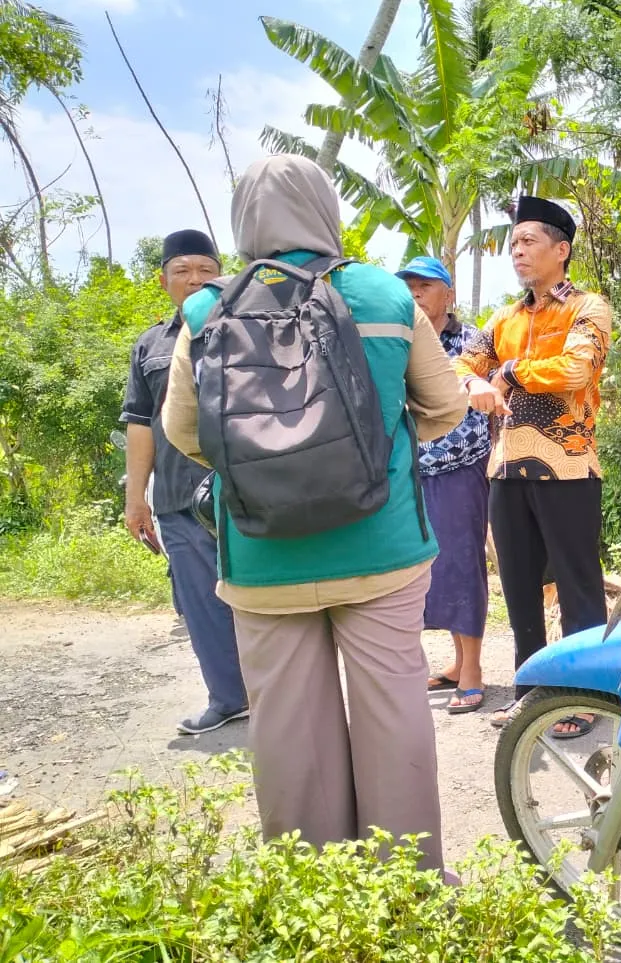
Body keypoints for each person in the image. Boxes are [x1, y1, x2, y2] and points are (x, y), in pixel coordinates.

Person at [161, 155, 468, 869]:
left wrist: (268, 472)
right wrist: (374, 450)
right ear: (325, 208)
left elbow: (182, 429)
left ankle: (313, 889)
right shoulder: (384, 295)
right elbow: (447, 405)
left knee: (288, 729)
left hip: (265, 560)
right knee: (393, 714)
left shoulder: (206, 309)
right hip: (381, 550)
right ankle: (406, 885)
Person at [454, 196, 611, 735]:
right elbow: (463, 363)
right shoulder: (504, 316)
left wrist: (508, 373)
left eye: (529, 242)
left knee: (577, 585)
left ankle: (587, 693)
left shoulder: (588, 307)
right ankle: (531, 691)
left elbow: (575, 369)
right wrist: (475, 381)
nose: (517, 251)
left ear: (561, 250)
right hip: (506, 470)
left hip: (568, 468)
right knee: (519, 587)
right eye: (513, 243)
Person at [121, 229, 248, 735]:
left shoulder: (244, 328)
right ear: (163, 280)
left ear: (224, 276)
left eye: (206, 269)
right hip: (176, 496)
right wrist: (137, 500)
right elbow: (138, 423)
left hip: (244, 489)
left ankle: (283, 696)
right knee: (199, 603)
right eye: (182, 270)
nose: (195, 279)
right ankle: (229, 697)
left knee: (260, 595)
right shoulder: (150, 344)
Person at [395, 255, 491, 713]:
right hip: (410, 473)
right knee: (423, 572)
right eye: (409, 285)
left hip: (461, 466)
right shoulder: (400, 339)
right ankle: (453, 666)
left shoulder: (472, 341)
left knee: (460, 566)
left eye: (425, 285)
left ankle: (471, 670)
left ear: (448, 293)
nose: (415, 292)